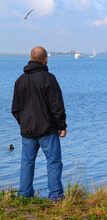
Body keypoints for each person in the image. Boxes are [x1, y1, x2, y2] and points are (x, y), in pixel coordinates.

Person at [11, 46, 67, 201]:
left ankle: (24, 196)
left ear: (30, 58)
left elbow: (15, 109)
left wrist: (24, 123)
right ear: (45, 60)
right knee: (54, 162)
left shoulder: (19, 81)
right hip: (47, 130)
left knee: (27, 163)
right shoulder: (49, 78)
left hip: (27, 131)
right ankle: (55, 197)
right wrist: (61, 125)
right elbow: (57, 106)